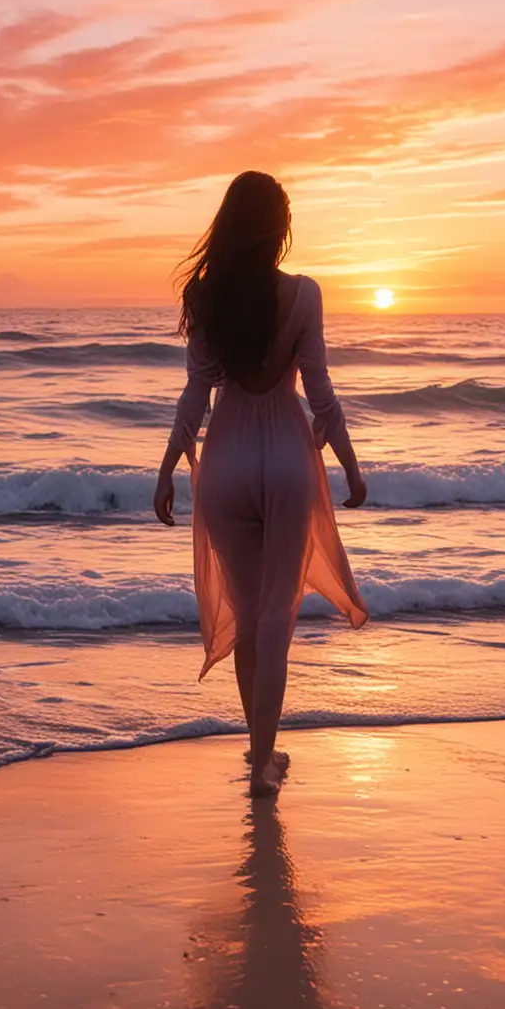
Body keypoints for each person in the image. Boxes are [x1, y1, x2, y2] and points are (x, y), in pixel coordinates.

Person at [154, 171, 369, 798]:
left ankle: (260, 755)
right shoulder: (303, 295)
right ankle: (261, 763)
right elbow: (320, 390)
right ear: (279, 229)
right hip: (284, 459)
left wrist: (169, 465)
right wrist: (351, 465)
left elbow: (198, 389)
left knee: (251, 619)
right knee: (275, 621)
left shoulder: (207, 296)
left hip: (224, 466)